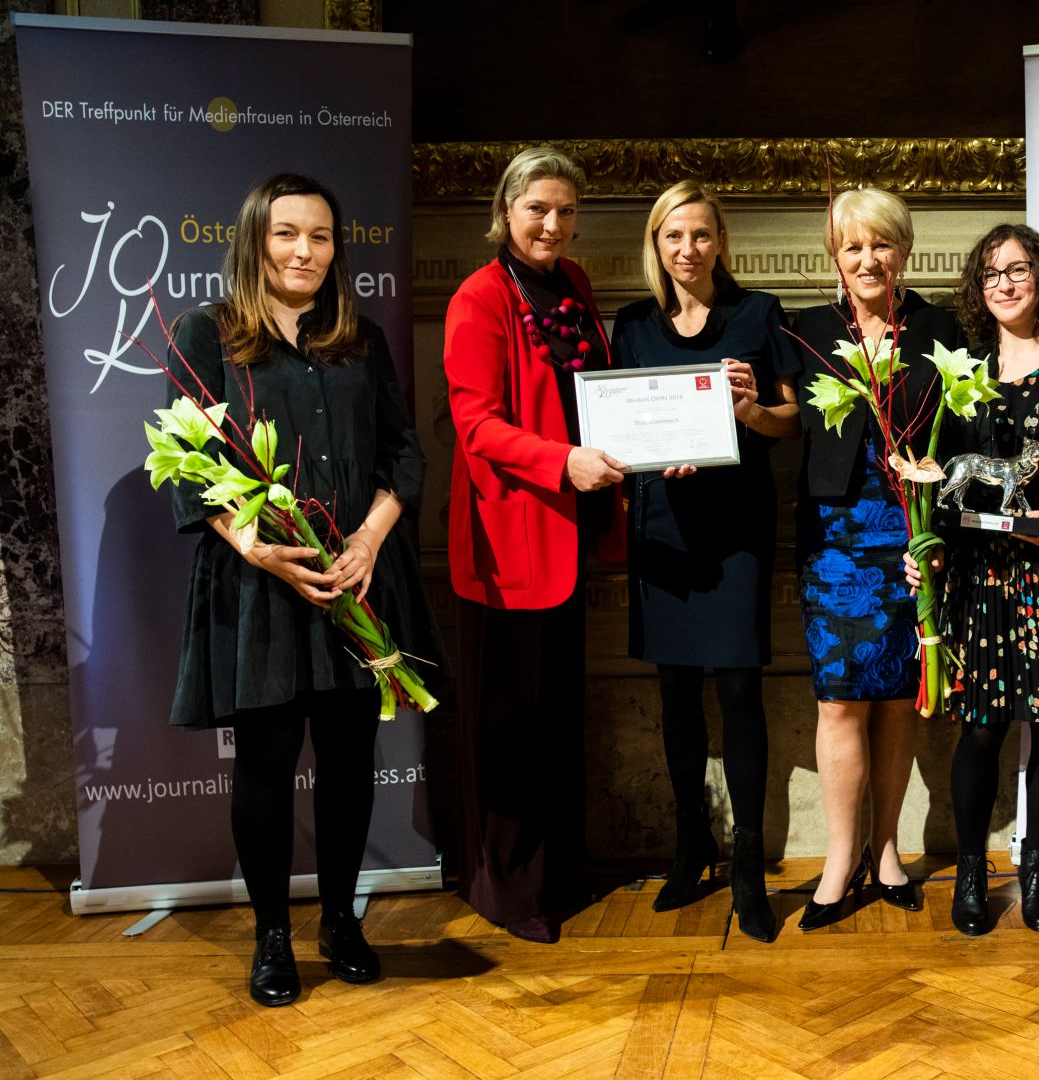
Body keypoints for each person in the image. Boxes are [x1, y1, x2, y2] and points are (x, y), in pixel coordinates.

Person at [166, 173, 438, 1007]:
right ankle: (272, 937)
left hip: (356, 579)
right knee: (267, 763)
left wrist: (367, 538)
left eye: (320, 237)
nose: (304, 251)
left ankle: (340, 921)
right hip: (265, 590)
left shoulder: (360, 340)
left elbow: (404, 454)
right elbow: (193, 473)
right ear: (255, 240)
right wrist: (258, 549)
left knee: (353, 760)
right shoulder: (206, 334)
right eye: (287, 234)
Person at [611, 180, 800, 943]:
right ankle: (691, 848)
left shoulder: (757, 315)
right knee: (676, 696)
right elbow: (616, 422)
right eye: (671, 236)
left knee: (739, 693)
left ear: (721, 239)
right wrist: (646, 458)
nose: (687, 249)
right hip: (663, 528)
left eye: (699, 234)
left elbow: (792, 422)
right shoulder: (630, 324)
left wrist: (751, 411)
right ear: (655, 245)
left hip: (736, 533)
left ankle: (749, 872)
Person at [443, 146, 623, 943]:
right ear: (506, 210)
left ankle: (556, 875)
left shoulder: (574, 285)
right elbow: (476, 423)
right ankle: (508, 890)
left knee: (554, 715)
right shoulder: (478, 298)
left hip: (569, 533)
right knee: (507, 725)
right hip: (506, 538)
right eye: (537, 209)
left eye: (564, 211)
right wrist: (564, 461)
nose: (552, 224)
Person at [911, 224, 1039, 936]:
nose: (1004, 282)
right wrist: (928, 545)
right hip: (983, 574)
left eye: (1018, 269)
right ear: (978, 286)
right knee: (982, 728)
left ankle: (1037, 867)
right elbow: (937, 472)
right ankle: (971, 869)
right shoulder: (959, 369)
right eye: (991, 272)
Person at [794, 187, 959, 930]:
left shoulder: (940, 330)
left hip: (908, 536)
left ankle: (887, 849)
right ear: (835, 256)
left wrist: (940, 540)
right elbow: (773, 420)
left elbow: (959, 446)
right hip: (831, 540)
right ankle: (838, 857)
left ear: (905, 251)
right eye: (853, 247)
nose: (868, 259)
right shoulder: (805, 332)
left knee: (897, 699)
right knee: (838, 700)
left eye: (881, 245)